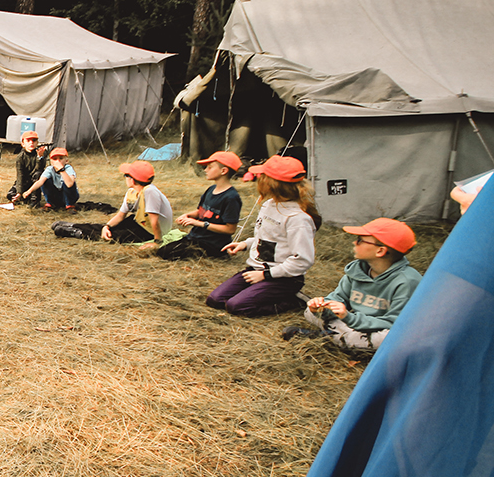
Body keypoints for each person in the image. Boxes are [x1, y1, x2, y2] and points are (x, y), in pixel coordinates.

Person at [284, 218, 422, 352]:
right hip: (355, 325)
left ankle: (334, 337)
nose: (354, 242)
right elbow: (338, 298)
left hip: (379, 328)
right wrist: (322, 308)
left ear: (380, 251)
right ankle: (347, 340)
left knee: (389, 338)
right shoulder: (357, 270)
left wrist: (349, 318)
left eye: (360, 240)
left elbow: (394, 323)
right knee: (309, 312)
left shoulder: (407, 281)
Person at [207, 155, 321, 317]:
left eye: (262, 176)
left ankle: (293, 300)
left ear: (271, 184)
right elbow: (269, 239)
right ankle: (258, 291)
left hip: (282, 278)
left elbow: (302, 260)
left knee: (236, 307)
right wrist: (245, 244)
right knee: (215, 300)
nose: (258, 179)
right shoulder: (269, 205)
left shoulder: (297, 219)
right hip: (256, 269)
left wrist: (266, 275)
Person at [157, 151, 243, 260]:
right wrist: (187, 215)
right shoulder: (211, 189)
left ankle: (217, 256)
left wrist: (199, 224)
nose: (206, 170)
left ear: (224, 171)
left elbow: (230, 229)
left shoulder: (231, 197)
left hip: (212, 244)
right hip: (195, 237)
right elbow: (200, 212)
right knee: (162, 251)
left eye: (210, 167)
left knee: (166, 253)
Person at [6, 130, 47, 207]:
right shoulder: (20, 157)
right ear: (23, 143)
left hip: (36, 182)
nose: (31, 143)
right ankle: (21, 198)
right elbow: (20, 175)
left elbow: (40, 169)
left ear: (37, 143)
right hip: (24, 181)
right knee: (10, 195)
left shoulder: (41, 153)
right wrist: (19, 192)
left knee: (37, 174)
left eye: (34, 140)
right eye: (28, 140)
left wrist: (40, 158)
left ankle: (34, 199)